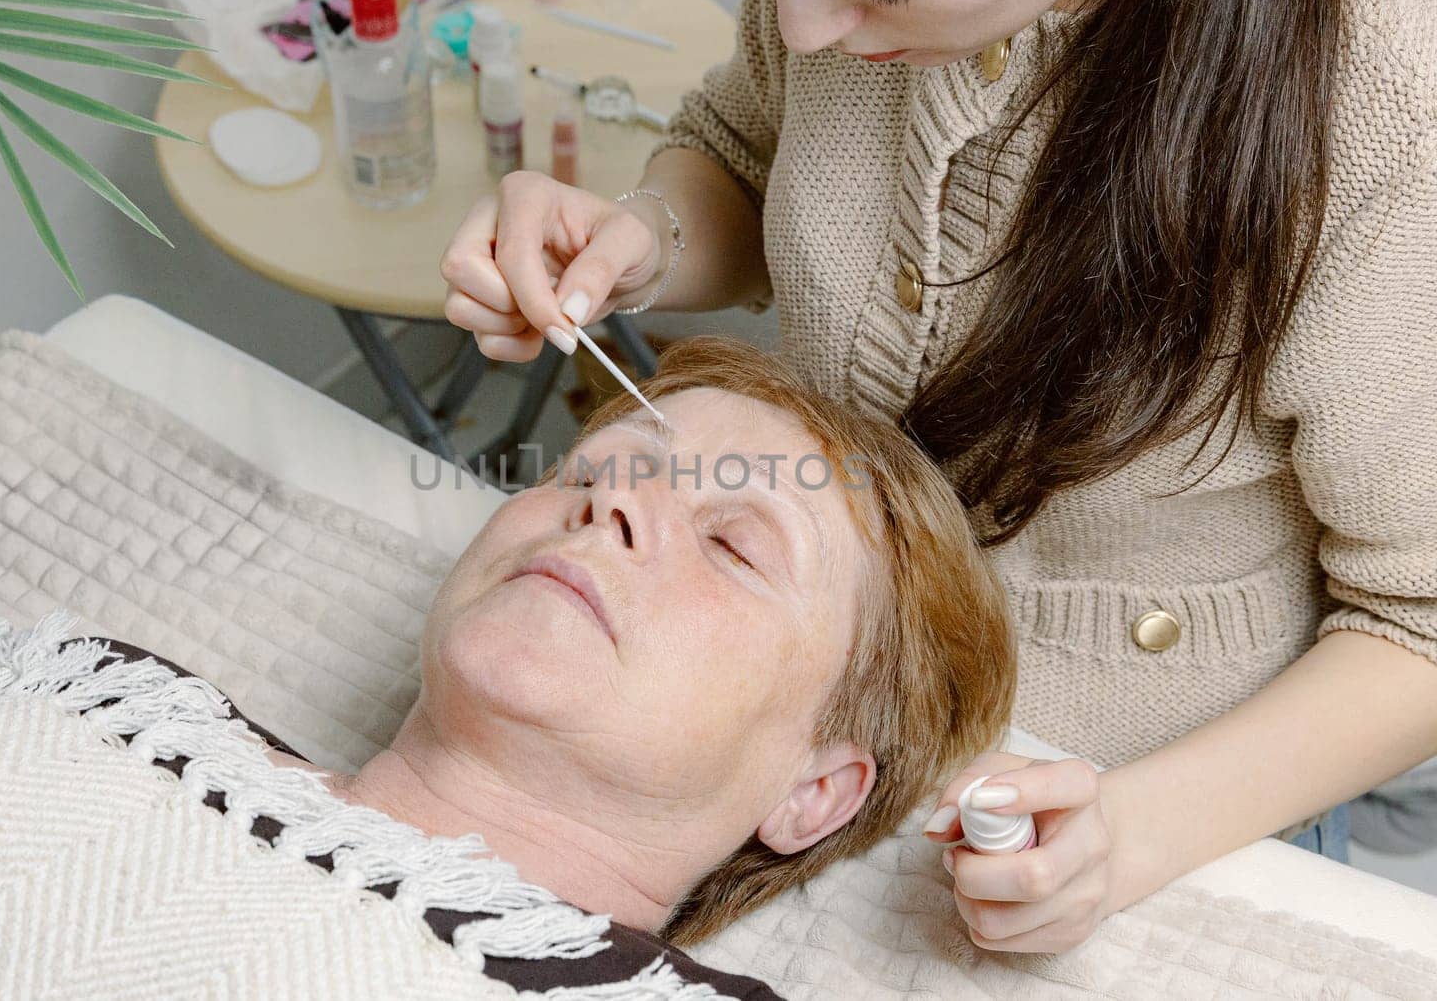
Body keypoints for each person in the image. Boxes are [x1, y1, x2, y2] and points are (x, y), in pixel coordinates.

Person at [438, 0, 1437, 955]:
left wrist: (1132, 832)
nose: (803, 25)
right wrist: (638, 241)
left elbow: (1423, 620)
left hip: (1160, 819)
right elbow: (744, 145)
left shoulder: (1389, 111)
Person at [85, 336, 1016, 994]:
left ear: (815, 790)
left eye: (734, 544)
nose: (610, 501)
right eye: (588, 470)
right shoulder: (91, 703)